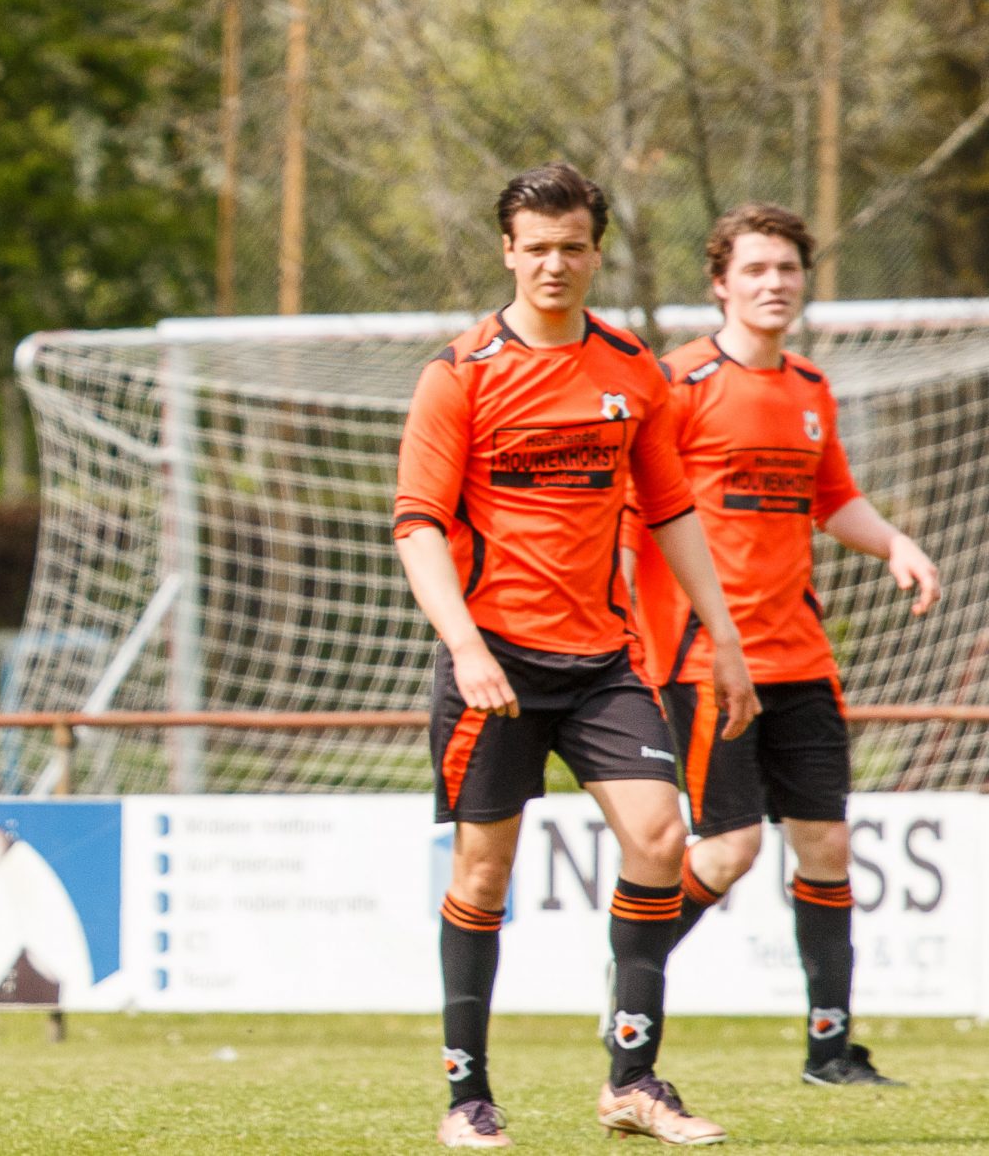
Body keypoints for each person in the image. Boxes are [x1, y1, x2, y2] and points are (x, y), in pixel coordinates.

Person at [394, 162, 757, 1148]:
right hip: (492, 662)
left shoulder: (632, 370)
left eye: (571, 246)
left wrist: (721, 639)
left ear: (595, 250)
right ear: (506, 250)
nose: (552, 264)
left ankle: (630, 1081)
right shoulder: (457, 373)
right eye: (534, 247)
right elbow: (416, 527)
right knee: (479, 873)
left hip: (602, 661)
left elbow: (672, 509)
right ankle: (465, 1096)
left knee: (654, 837)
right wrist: (463, 645)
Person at [625, 203, 939, 1086]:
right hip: (703, 660)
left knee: (828, 846)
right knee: (728, 852)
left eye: (787, 270)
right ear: (720, 283)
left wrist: (895, 544)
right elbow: (632, 514)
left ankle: (831, 1048)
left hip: (800, 657)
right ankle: (633, 959)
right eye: (755, 270)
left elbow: (833, 498)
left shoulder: (807, 386)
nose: (773, 284)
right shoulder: (677, 384)